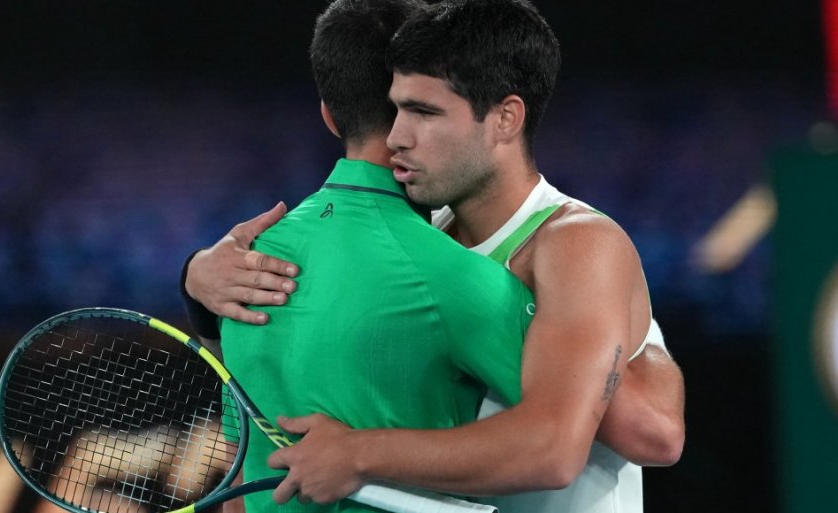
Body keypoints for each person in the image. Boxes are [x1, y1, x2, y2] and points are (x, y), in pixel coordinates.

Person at [183, 1, 685, 512]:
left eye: (423, 113)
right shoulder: (423, 240)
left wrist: (359, 453)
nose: (396, 137)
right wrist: (197, 279)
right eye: (396, 109)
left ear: (506, 118)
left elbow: (645, 437)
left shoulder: (576, 242)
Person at [192, 2, 540, 513]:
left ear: (329, 117)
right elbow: (599, 425)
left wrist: (192, 277)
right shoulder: (461, 278)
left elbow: (241, 484)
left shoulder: (240, 271)